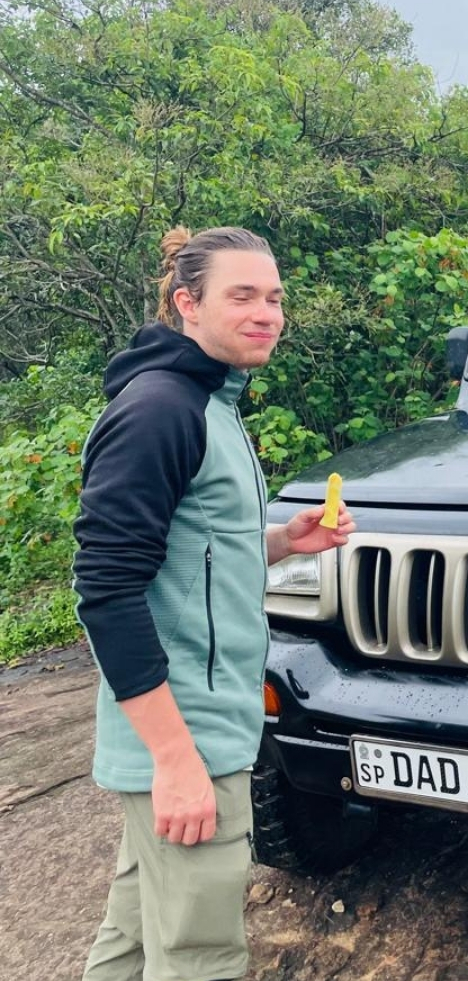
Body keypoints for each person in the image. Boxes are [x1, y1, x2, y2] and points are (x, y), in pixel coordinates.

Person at [74, 226, 354, 981]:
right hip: (185, 736)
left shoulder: (211, 401)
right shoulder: (162, 410)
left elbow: (187, 548)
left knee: (134, 939)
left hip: (204, 727)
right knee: (200, 957)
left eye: (274, 297)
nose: (267, 313)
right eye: (244, 296)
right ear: (186, 303)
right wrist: (174, 761)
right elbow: (105, 590)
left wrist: (281, 542)